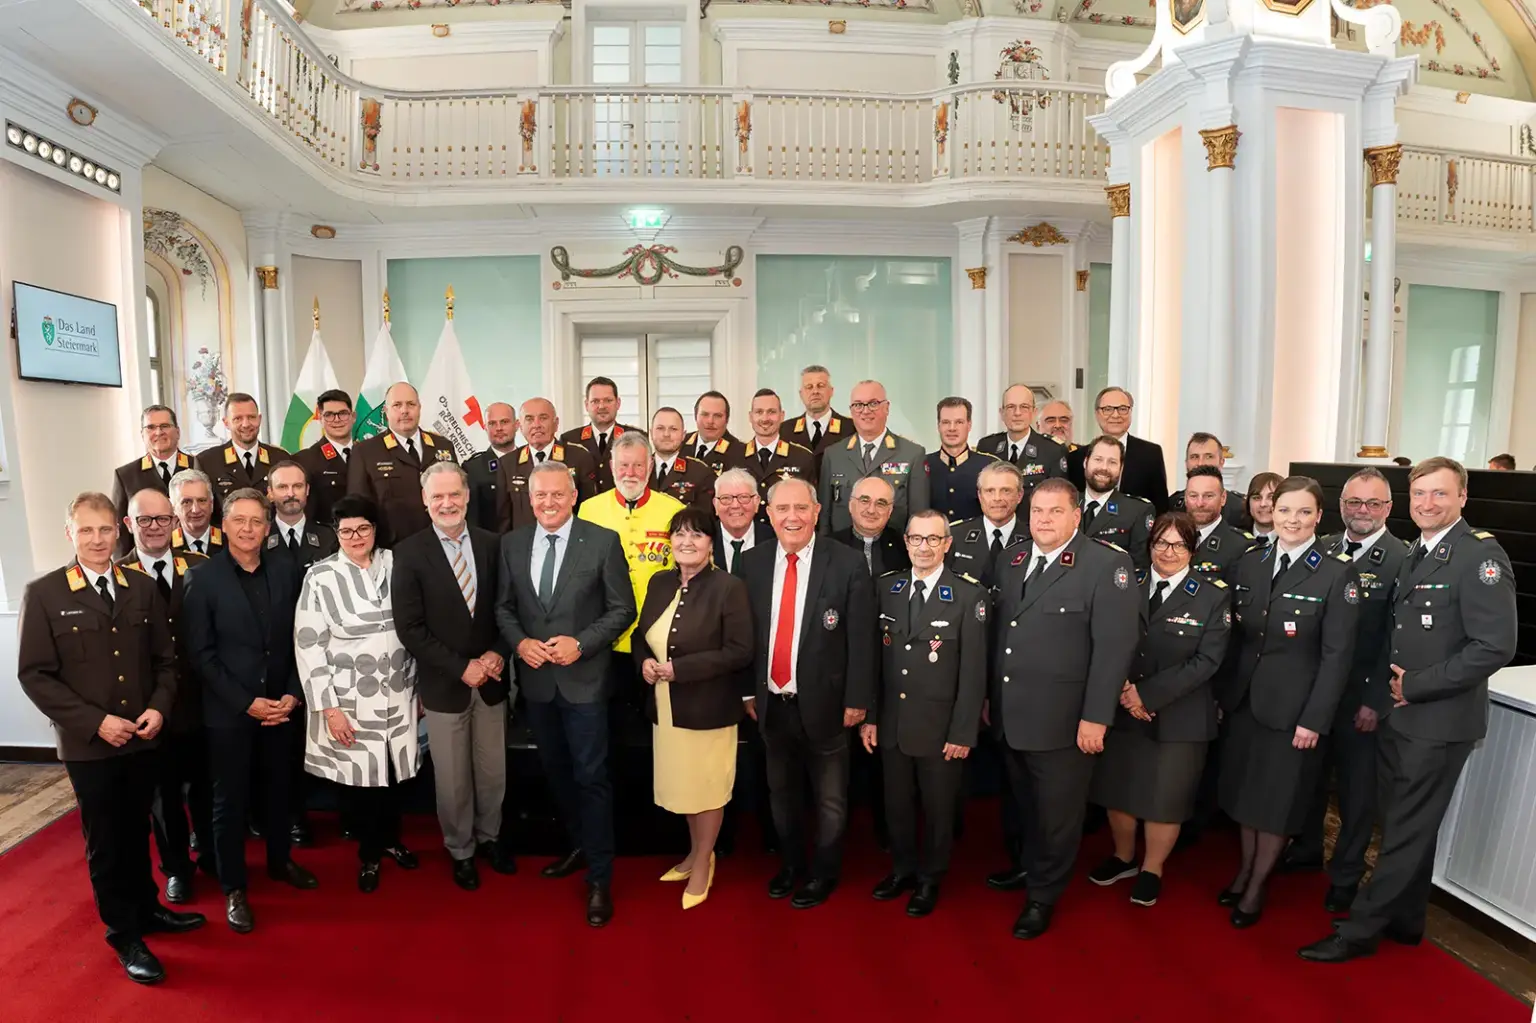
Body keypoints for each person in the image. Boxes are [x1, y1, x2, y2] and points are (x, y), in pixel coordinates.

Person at [1302, 458, 1517, 963]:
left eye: (1439, 494)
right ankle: (1406, 920)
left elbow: (1494, 646)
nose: (1427, 503)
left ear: (1463, 497)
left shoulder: (1479, 557)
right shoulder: (1420, 550)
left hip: (1438, 721)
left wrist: (1416, 686)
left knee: (1402, 831)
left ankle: (1359, 932)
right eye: (1420, 493)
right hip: (1406, 716)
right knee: (1406, 823)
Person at [17, 492, 204, 984]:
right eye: (86, 531)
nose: (97, 540)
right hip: (90, 745)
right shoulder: (46, 593)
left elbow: (166, 662)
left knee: (139, 827)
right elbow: (35, 675)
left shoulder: (140, 587)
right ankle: (123, 932)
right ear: (70, 535)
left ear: (118, 530)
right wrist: (94, 722)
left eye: (104, 530)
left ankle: (147, 911)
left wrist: (157, 708)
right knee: (106, 841)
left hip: (142, 737)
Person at [989, 477, 1140, 939]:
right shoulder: (1012, 560)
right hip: (1011, 714)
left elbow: (1114, 649)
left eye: (1055, 511)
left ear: (1077, 515)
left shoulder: (1105, 565)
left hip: (1066, 722)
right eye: (1037, 511)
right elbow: (1001, 638)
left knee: (1058, 816)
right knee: (1024, 807)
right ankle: (1028, 868)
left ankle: (1044, 895)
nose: (1044, 520)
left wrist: (1096, 717)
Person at [495, 460, 637, 927]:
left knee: (592, 777)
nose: (549, 503)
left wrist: (583, 642)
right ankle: (579, 844)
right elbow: (504, 608)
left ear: (573, 496)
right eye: (541, 496)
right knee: (556, 772)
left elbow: (623, 609)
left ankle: (600, 876)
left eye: (558, 494)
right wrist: (520, 643)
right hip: (537, 684)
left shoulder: (602, 541)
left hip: (586, 683)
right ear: (529, 498)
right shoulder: (512, 544)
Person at [1216, 476, 1359, 929]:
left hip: (1294, 713)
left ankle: (1257, 887)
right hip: (1244, 703)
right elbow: (1237, 638)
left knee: (1275, 803)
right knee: (1245, 795)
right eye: (1283, 511)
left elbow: (1338, 658)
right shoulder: (1251, 562)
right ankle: (1243, 870)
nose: (1292, 520)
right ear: (1270, 513)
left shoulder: (1337, 573)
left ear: (1319, 516)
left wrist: (1314, 720)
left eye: (1302, 512)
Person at [182, 488, 318, 935]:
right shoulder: (202, 580)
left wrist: (294, 695)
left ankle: (280, 863)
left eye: (256, 521)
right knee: (230, 803)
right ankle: (234, 887)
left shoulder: (288, 571)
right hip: (230, 714)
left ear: (268, 526)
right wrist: (246, 703)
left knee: (281, 793)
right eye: (239, 520)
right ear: (225, 525)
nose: (247, 529)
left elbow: (305, 640)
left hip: (282, 708)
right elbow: (201, 656)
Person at [741, 477, 876, 910]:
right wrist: (747, 693)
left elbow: (862, 638)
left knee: (831, 799)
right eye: (783, 509)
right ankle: (791, 865)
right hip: (772, 705)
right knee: (781, 796)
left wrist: (858, 698)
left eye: (802, 508)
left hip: (829, 705)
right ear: (769, 513)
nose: (792, 517)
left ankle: (824, 873)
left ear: (817, 513)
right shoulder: (753, 563)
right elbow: (746, 638)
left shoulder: (848, 563)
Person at [1088, 512, 1230, 908]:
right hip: (1119, 704)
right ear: (1149, 545)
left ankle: (1152, 868)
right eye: (1160, 543)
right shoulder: (1125, 583)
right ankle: (1122, 857)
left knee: (1164, 798)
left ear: (1193, 549)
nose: (1168, 552)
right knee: (1117, 789)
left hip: (1180, 715)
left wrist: (1145, 696)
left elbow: (1207, 661)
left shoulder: (1213, 594)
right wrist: (1119, 689)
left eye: (1179, 544)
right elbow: (1102, 638)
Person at [1284, 468, 1409, 910]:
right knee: (1311, 780)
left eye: (1373, 504)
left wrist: (1377, 701)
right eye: (1355, 503)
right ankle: (1306, 849)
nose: (1362, 511)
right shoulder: (1321, 549)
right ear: (1341, 506)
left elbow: (1398, 638)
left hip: (1362, 698)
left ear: (1388, 509)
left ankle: (1346, 874)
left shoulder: (1402, 559)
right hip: (1318, 695)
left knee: (1357, 794)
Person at [394, 462, 514, 891]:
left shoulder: (493, 545)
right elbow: (410, 628)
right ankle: (460, 849)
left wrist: (498, 654)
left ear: (466, 496)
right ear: (425, 502)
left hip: (494, 681)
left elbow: (508, 610)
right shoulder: (408, 553)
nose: (447, 503)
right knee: (453, 779)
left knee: (492, 772)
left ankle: (490, 838)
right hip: (446, 685)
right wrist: (460, 666)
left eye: (454, 495)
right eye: (437, 497)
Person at [292, 494, 421, 892]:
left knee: (395, 774)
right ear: (336, 533)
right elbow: (309, 643)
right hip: (349, 698)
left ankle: (391, 841)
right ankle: (369, 854)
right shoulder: (320, 576)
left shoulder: (397, 562)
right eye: (345, 530)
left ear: (375, 528)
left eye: (362, 528)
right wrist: (328, 708)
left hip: (401, 690)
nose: (355, 536)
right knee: (362, 782)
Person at [863, 510, 987, 917]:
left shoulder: (968, 595)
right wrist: (871, 717)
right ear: (906, 542)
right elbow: (875, 665)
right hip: (894, 725)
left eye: (934, 539)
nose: (924, 547)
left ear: (947, 545)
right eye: (917, 539)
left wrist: (964, 732)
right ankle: (902, 869)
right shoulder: (887, 588)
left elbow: (973, 674)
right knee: (896, 805)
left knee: (938, 810)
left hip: (940, 729)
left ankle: (931, 877)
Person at [634, 506, 755, 909]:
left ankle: (704, 862)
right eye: (679, 534)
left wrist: (679, 669)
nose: (687, 542)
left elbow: (740, 651)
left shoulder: (729, 587)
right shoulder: (658, 582)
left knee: (707, 789)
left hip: (709, 709)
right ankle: (693, 853)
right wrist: (645, 664)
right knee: (684, 788)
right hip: (666, 708)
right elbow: (640, 636)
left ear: (710, 543)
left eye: (697, 535)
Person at [119, 489, 211, 905]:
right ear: (129, 525)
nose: (154, 528)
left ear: (175, 523)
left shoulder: (201, 567)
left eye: (162, 520)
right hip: (150, 705)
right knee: (164, 795)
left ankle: (212, 856)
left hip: (200, 699)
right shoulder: (117, 576)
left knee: (207, 788)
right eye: (144, 521)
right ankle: (177, 868)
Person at [266, 459, 340, 845]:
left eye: (297, 486)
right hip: (277, 653)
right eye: (282, 487)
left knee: (337, 731)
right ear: (270, 492)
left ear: (308, 491)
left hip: (327, 651)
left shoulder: (329, 538)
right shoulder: (258, 539)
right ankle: (293, 815)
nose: (290, 494)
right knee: (286, 743)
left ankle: (346, 810)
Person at [578, 433, 686, 675]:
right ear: (612, 467)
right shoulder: (589, 509)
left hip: (656, 634)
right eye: (623, 465)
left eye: (638, 465)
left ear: (650, 466)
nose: (630, 472)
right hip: (603, 635)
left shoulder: (675, 510)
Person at [348, 382, 459, 547]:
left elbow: (458, 494)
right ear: (386, 412)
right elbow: (358, 509)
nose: (405, 410)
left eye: (411, 404)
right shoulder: (365, 451)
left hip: (444, 545)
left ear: (419, 407)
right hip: (393, 549)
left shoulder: (443, 446)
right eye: (397, 405)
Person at [818, 380, 929, 534]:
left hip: (892, 552)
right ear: (851, 411)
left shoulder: (912, 454)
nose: (865, 411)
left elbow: (919, 518)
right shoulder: (833, 454)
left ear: (887, 408)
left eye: (873, 403)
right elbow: (824, 517)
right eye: (858, 405)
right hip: (842, 551)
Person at [496, 397, 600, 531]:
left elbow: (589, 511)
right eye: (529, 419)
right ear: (520, 426)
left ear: (556, 423)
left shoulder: (579, 457)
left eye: (543, 418)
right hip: (525, 546)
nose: (536, 424)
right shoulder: (507, 463)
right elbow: (503, 520)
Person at [1067, 387, 1168, 513]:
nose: (1115, 415)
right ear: (1097, 414)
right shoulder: (1076, 457)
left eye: (1122, 409)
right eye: (1108, 409)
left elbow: (1161, 506)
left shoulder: (1151, 454)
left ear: (1130, 412)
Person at [111, 404, 192, 554]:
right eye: (151, 427)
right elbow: (120, 533)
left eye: (165, 426)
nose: (158, 432)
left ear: (178, 432)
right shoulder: (126, 475)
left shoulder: (197, 466)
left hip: (194, 560)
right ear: (142, 435)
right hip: (146, 565)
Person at [1079, 434, 1155, 577]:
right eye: (1098, 460)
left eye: (1112, 462)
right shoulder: (1066, 503)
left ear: (1121, 468)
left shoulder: (1138, 510)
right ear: (1085, 462)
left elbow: (1139, 568)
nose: (1104, 468)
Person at [194, 392, 291, 505]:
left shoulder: (280, 458)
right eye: (238, 419)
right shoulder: (207, 462)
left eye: (251, 417)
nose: (245, 424)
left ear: (259, 419)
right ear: (226, 423)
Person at [976, 385, 1069, 501]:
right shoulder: (987, 446)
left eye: (1024, 407)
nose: (1017, 413)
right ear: (1002, 413)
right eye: (1011, 407)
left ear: (1034, 412)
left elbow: (1057, 497)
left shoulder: (1052, 450)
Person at [946, 460, 1028, 588]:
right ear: (979, 495)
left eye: (1006, 491)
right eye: (990, 491)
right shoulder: (954, 535)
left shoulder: (1032, 538)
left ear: (1019, 495)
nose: (997, 498)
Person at [560, 376, 643, 492]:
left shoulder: (636, 437)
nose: (602, 406)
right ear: (586, 405)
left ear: (618, 403)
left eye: (608, 400)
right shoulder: (569, 440)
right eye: (595, 401)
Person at [743, 388, 817, 516]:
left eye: (771, 412)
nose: (765, 418)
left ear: (782, 416)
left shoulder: (802, 458)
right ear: (750, 417)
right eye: (759, 412)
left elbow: (811, 505)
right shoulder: (736, 456)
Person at [926, 396, 1000, 524]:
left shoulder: (990, 466)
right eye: (946, 422)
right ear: (938, 426)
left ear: (969, 425)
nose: (952, 428)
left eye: (959, 422)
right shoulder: (922, 464)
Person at [293, 388, 355, 527]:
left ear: (353, 417)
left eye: (343, 414)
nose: (337, 420)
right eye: (329, 415)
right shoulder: (305, 460)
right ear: (320, 419)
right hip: (326, 540)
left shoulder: (367, 453)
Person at [780, 363, 854, 476]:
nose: (815, 391)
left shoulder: (851, 428)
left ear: (831, 391)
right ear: (801, 394)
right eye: (809, 387)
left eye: (821, 386)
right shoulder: (785, 430)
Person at [1184, 465, 1256, 581]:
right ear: (1185, 498)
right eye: (1193, 496)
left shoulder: (1241, 546)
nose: (1200, 503)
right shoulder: (1173, 538)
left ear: (1223, 498)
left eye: (1208, 496)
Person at [833, 476, 911, 579]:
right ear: (851, 505)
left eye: (880, 503)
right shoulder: (831, 546)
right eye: (865, 501)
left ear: (890, 511)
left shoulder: (904, 548)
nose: (871, 510)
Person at [648, 406, 716, 510]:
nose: (666, 434)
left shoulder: (700, 473)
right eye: (660, 428)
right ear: (651, 433)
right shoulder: (638, 469)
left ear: (683, 435)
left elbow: (706, 519)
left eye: (673, 429)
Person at [464, 401, 519, 530]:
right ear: (485, 427)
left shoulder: (530, 462)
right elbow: (472, 519)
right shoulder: (473, 468)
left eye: (504, 422)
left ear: (516, 425)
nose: (499, 428)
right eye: (492, 423)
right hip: (490, 544)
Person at [1169, 433, 1245, 526]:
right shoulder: (1172, 505)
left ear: (1221, 462)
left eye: (1209, 456)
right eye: (1194, 457)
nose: (1201, 463)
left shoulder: (1240, 508)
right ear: (1186, 463)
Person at [713, 468, 774, 577]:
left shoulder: (774, 540)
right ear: (715, 504)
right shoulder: (703, 540)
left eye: (743, 497)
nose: (735, 505)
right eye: (726, 498)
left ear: (756, 502)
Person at [685, 390, 746, 472]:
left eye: (717, 416)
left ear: (727, 419)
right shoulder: (680, 443)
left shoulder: (741, 453)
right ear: (695, 416)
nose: (710, 421)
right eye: (705, 414)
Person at [169, 468, 223, 555]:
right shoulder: (166, 545)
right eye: (186, 502)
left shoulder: (231, 540)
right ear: (174, 508)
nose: (196, 510)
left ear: (212, 504)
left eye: (202, 500)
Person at [1242, 471, 1282, 545]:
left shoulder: (1292, 540)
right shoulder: (1235, 538)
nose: (1263, 504)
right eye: (1257, 498)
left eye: (1271, 497)